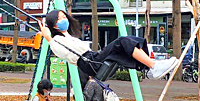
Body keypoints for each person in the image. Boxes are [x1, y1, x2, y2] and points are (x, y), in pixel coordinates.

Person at [37, 10, 179, 83]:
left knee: (127, 46)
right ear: (54, 25)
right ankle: (154, 66)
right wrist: (47, 36)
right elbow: (60, 50)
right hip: (90, 62)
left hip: (92, 59)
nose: (64, 20)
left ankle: (149, 68)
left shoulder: (67, 36)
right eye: (60, 19)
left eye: (64, 17)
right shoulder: (56, 40)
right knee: (122, 41)